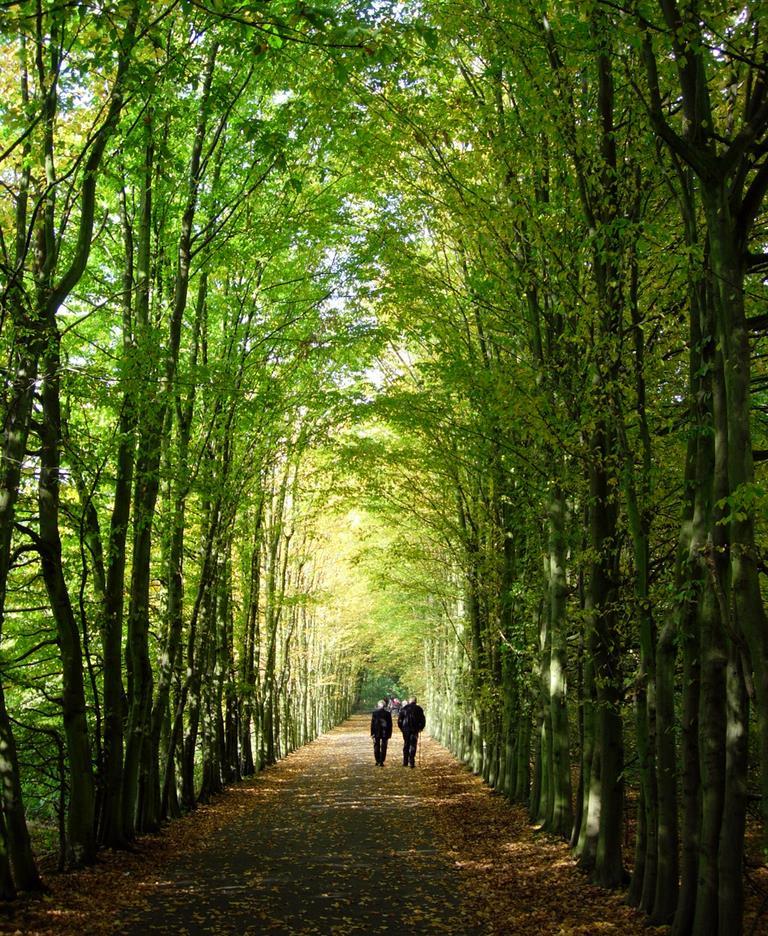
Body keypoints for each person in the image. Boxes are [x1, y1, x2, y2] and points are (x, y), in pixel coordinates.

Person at [397, 696, 426, 767]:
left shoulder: (404, 709)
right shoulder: (419, 709)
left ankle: (405, 761)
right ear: (416, 701)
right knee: (413, 745)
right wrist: (421, 728)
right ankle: (412, 762)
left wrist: (401, 728)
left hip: (406, 729)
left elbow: (400, 720)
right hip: (415, 729)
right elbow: (422, 720)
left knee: (406, 744)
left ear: (409, 701)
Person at [370, 699, 392, 767]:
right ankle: (382, 761)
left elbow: (372, 724)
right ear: (384, 706)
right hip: (385, 732)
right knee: (384, 747)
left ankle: (377, 760)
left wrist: (372, 733)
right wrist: (390, 733)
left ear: (378, 705)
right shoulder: (388, 714)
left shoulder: (375, 713)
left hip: (376, 732)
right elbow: (390, 724)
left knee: (376, 746)